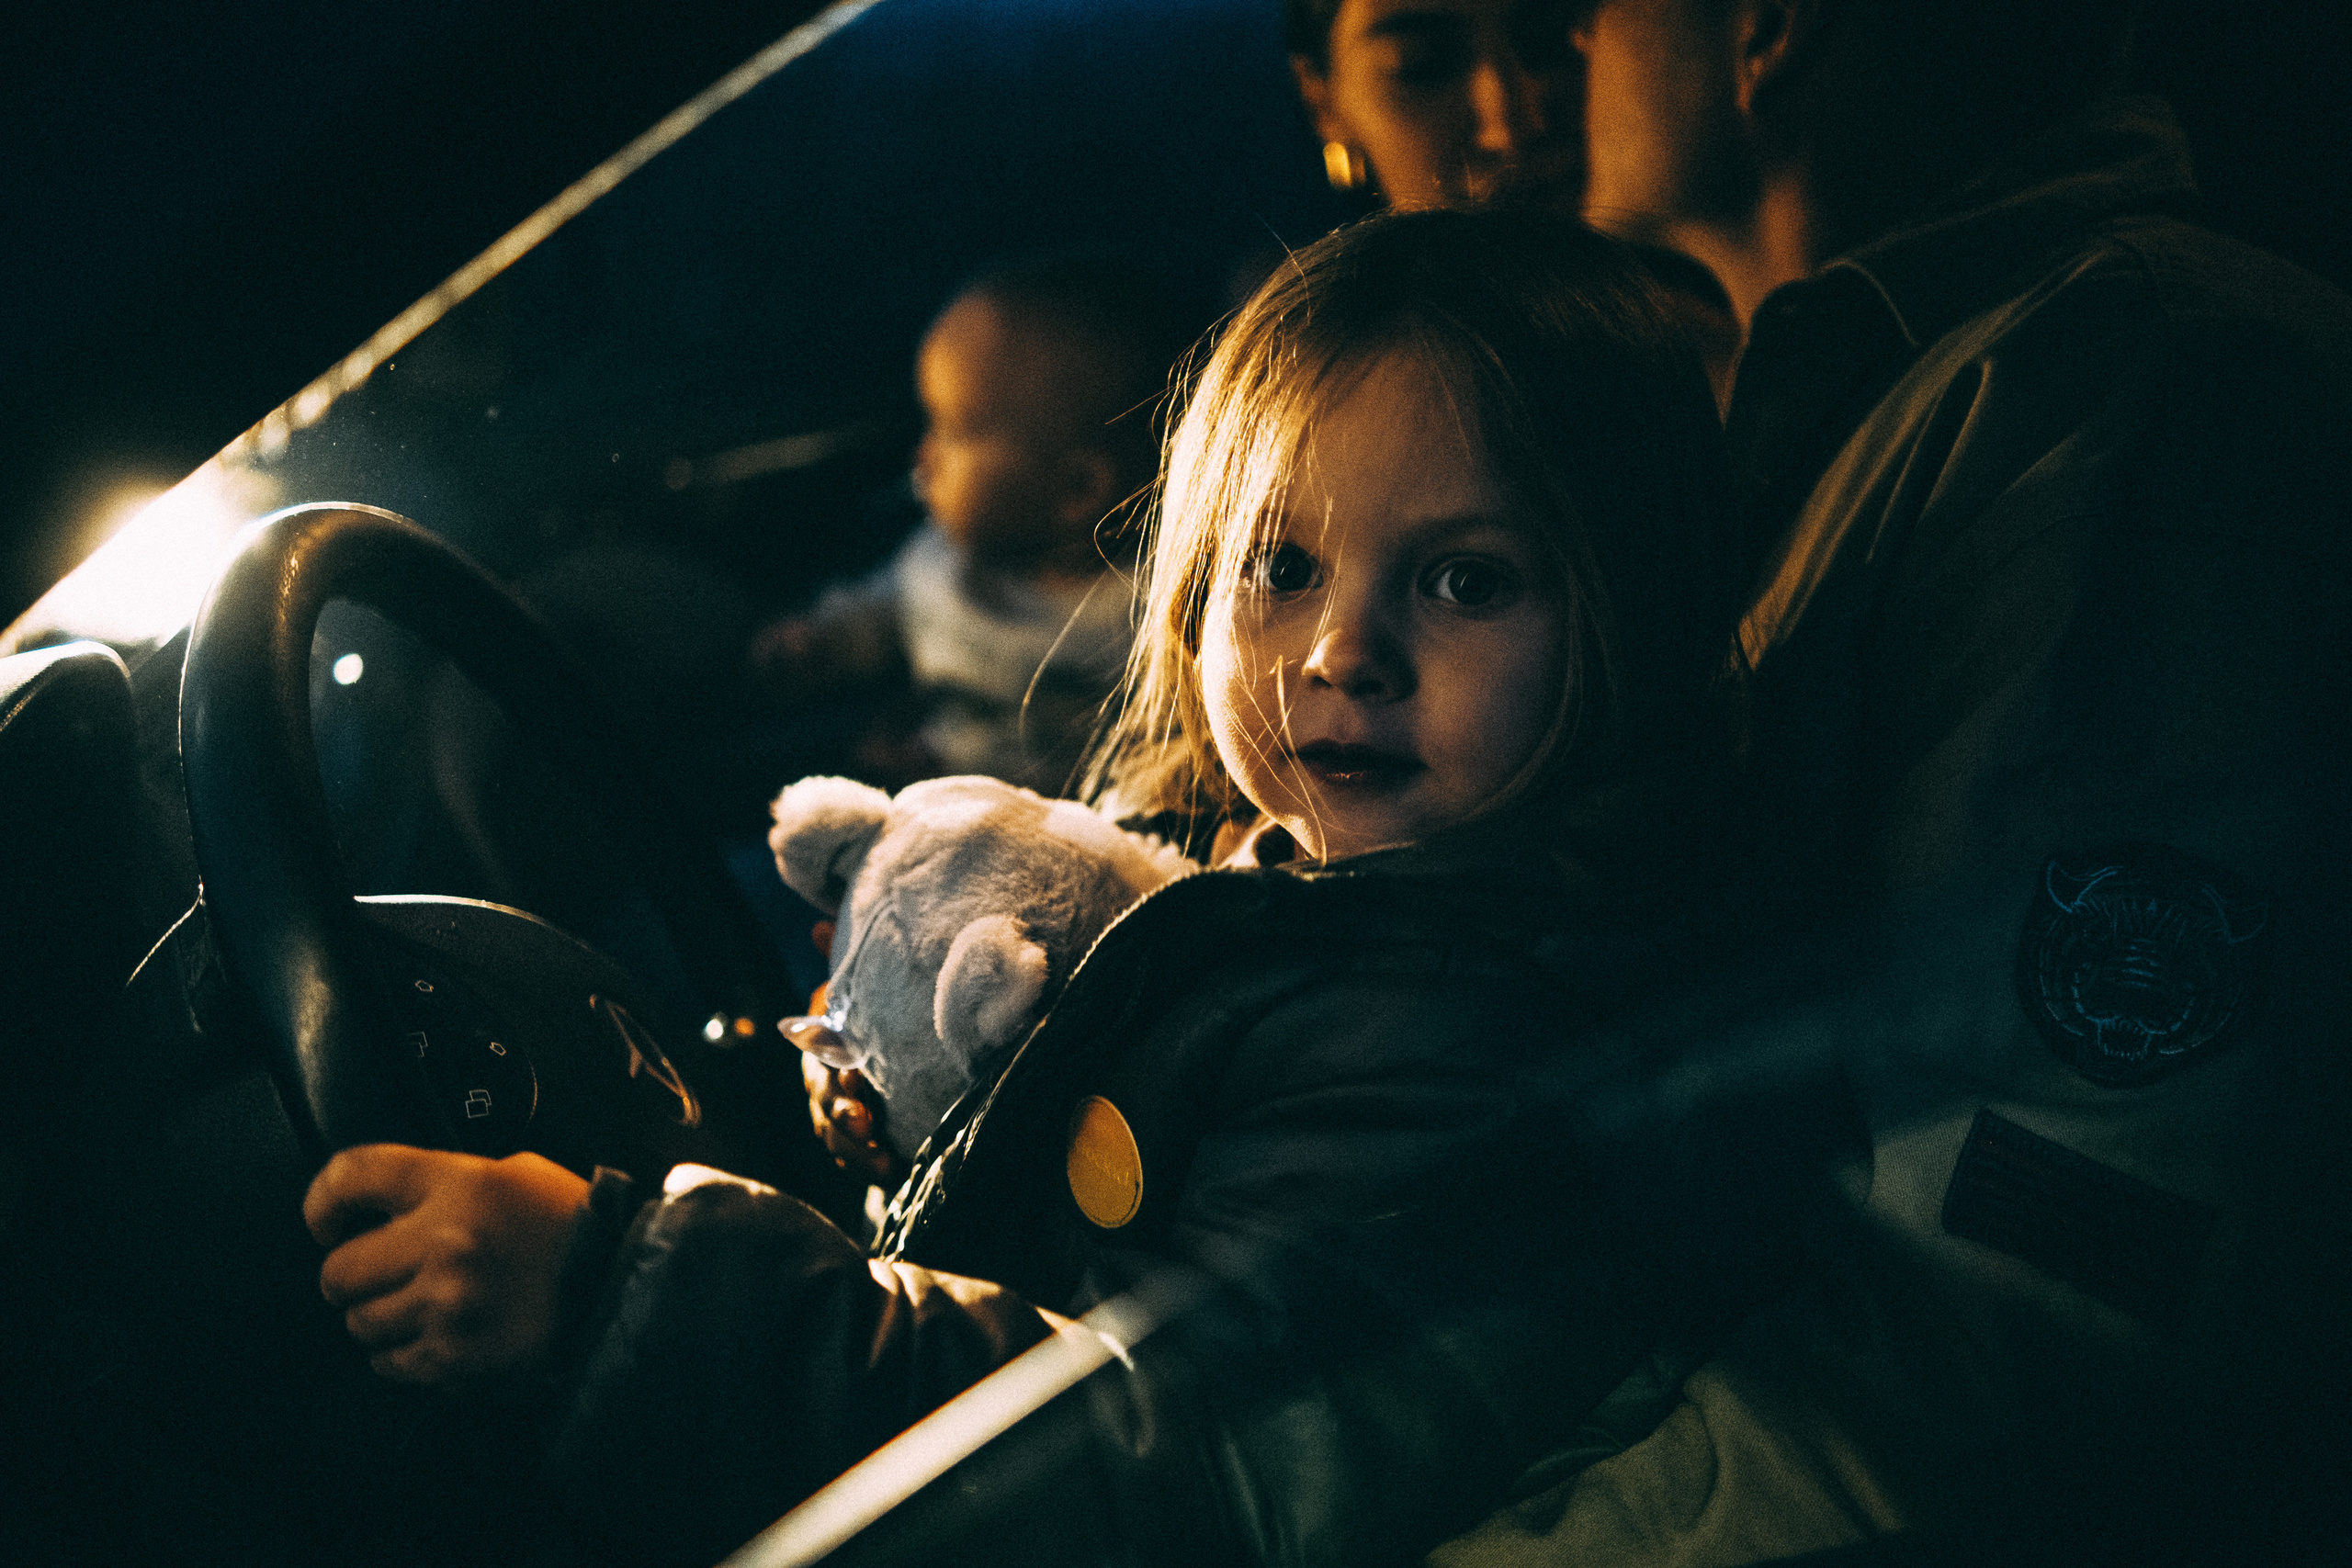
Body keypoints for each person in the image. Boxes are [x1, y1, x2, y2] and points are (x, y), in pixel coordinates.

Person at [301, 209, 1752, 1568]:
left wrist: (620, 1292)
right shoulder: (1304, 895)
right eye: (1285, 563)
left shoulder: (1484, 1044)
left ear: (1631, 613)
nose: (1337, 651)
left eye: (1465, 581)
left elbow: (1163, 1458)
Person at [1430, 2, 2352, 1563]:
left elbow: (2012, 1335)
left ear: (1769, 27)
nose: (1573, 35)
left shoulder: (2142, 394)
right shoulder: (1903, 387)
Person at [751, 253, 1201, 795]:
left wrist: (966, 782)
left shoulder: (1154, 616)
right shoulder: (942, 561)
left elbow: (1161, 765)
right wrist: (823, 643)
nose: (923, 455)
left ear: (1078, 490)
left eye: (951, 432)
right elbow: (886, 612)